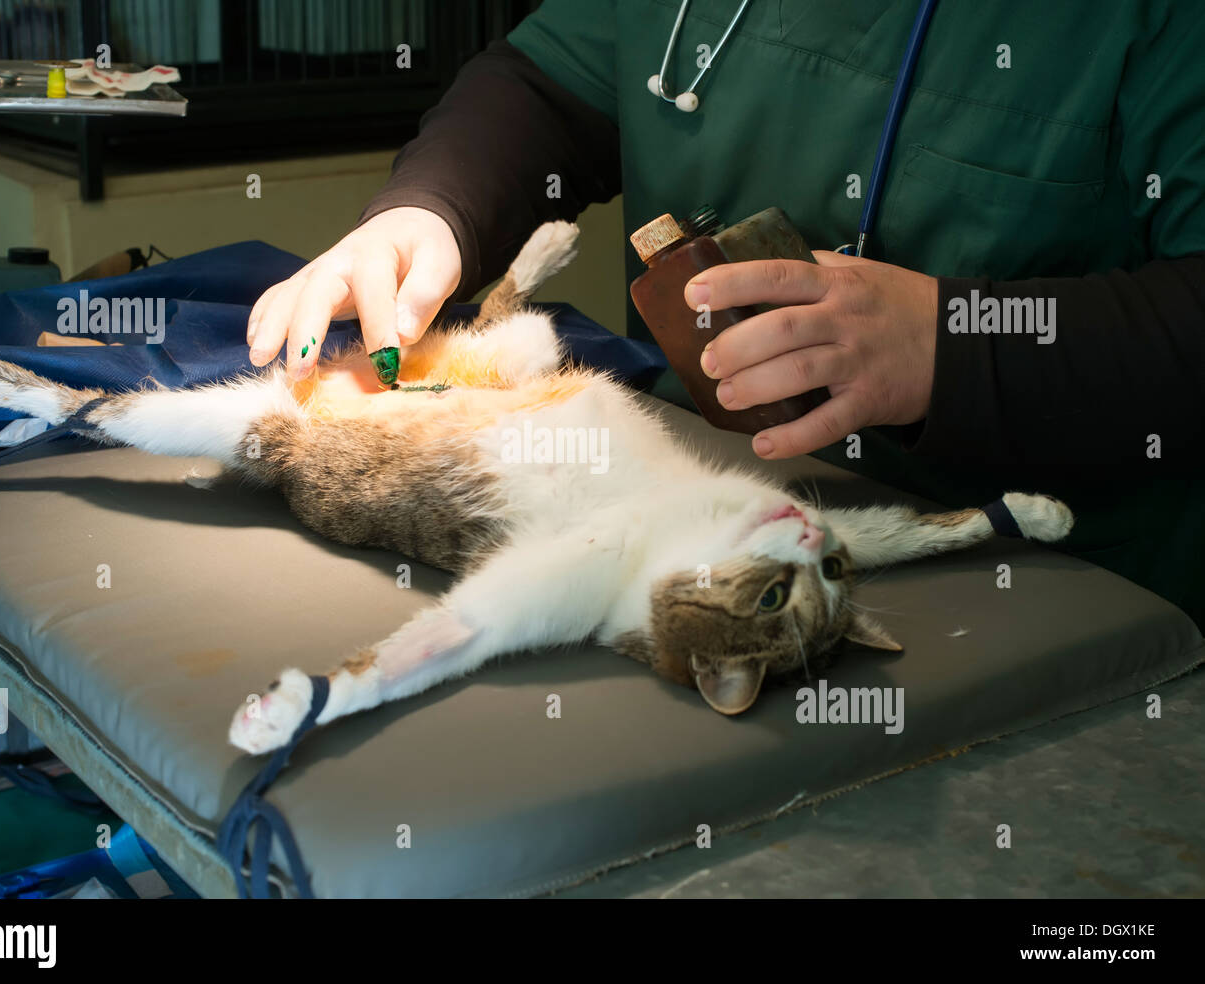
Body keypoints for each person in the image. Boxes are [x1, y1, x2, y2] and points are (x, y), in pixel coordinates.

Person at [246, 0, 1205, 627]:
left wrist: (953, 346)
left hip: (1053, 590)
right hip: (697, 517)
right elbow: (548, 87)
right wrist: (433, 211)